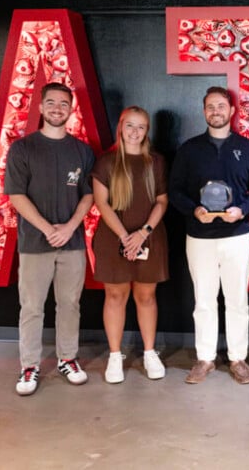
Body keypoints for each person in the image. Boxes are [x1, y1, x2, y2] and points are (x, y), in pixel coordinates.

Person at [169, 86, 249, 385]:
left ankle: (238, 358)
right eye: (210, 106)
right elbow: (174, 191)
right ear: (204, 111)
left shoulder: (247, 149)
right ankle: (205, 358)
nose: (216, 111)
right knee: (204, 300)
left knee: (237, 300)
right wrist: (193, 210)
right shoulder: (189, 149)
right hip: (200, 236)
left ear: (232, 110)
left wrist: (243, 209)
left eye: (221, 106)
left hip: (236, 235)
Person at [5, 82, 95, 396]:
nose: (58, 108)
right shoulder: (23, 149)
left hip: (72, 244)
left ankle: (67, 359)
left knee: (70, 304)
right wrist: (48, 229)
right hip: (34, 243)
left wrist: (69, 227)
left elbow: (88, 195)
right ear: (41, 108)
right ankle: (28, 366)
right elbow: (16, 196)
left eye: (64, 104)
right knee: (31, 307)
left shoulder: (82, 151)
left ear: (71, 110)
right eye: (52, 103)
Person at [91, 106, 169, 384]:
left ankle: (149, 352)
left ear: (147, 131)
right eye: (130, 126)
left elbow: (162, 200)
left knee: (146, 297)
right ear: (121, 127)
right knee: (115, 296)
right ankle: (115, 356)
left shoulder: (156, 162)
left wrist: (143, 233)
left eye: (141, 127)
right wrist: (126, 237)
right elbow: (102, 204)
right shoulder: (107, 162)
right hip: (114, 239)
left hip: (149, 238)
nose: (135, 132)